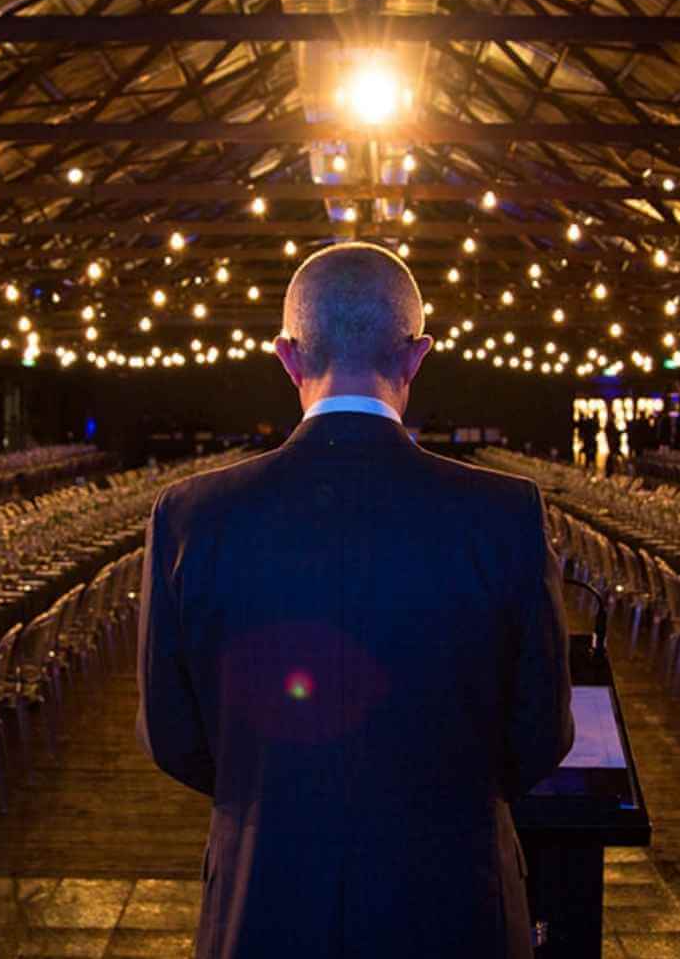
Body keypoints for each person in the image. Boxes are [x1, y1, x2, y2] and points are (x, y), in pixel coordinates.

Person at [137, 242, 574, 959]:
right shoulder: (505, 514)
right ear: (416, 357)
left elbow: (173, 736)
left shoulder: (191, 516)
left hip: (264, 902)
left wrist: (282, 784)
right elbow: (540, 734)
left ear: (286, 356)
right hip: (455, 905)